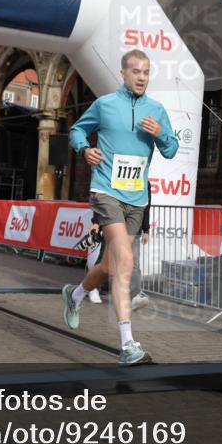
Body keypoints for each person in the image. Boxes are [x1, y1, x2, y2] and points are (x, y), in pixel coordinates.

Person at [63, 48, 178, 366]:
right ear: (123, 73)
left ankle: (74, 295)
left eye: (146, 72)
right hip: (106, 191)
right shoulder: (105, 104)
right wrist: (84, 149)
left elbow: (171, 149)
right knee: (125, 262)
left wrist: (161, 134)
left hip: (136, 199)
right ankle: (128, 345)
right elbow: (77, 130)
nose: (141, 77)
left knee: (111, 266)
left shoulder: (156, 110)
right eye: (135, 71)